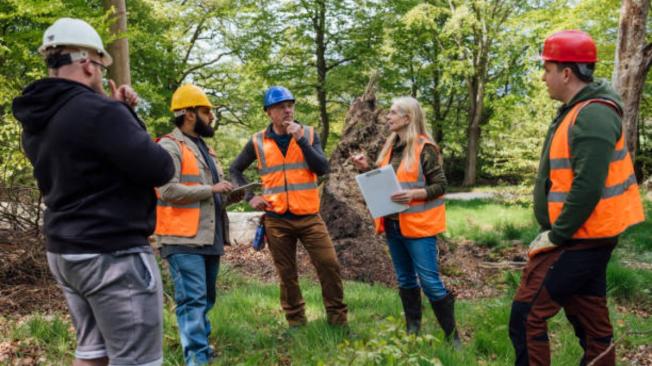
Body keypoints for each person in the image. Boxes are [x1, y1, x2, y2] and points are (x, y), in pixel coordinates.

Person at [12, 18, 175, 366]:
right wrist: (125, 114)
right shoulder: (100, 112)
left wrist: (115, 112)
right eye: (101, 65)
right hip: (113, 255)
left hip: (66, 253)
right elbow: (160, 168)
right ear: (88, 63)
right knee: (136, 360)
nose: (101, 73)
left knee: (92, 354)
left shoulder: (38, 119)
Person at [508, 30, 645, 366]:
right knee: (593, 327)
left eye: (547, 69)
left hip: (578, 239)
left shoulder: (592, 114)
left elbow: (587, 187)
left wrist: (556, 235)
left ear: (566, 73)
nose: (544, 77)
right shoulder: (579, 110)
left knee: (526, 317)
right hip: (584, 236)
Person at [229, 86, 348, 328]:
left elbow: (322, 168)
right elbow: (235, 169)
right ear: (269, 112)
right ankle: (296, 323)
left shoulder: (309, 134)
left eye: (290, 105)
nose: (287, 110)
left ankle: (338, 322)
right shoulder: (258, 141)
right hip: (276, 218)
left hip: (309, 216)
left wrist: (300, 140)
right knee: (287, 274)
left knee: (329, 265)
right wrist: (249, 197)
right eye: (281, 107)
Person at [351, 96, 461, 346]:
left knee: (431, 283)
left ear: (407, 118)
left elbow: (441, 185)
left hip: (419, 227)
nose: (387, 117)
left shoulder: (426, 148)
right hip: (392, 224)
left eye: (392, 113)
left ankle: (453, 337)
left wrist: (414, 194)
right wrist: (366, 167)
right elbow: (385, 183)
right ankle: (413, 330)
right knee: (405, 280)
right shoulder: (391, 147)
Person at [155, 84, 237, 365]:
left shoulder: (207, 150)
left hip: (209, 236)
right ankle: (197, 358)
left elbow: (210, 192)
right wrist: (212, 189)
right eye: (206, 111)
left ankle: (199, 344)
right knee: (192, 299)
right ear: (189, 114)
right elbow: (167, 190)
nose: (211, 116)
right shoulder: (169, 146)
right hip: (181, 239)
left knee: (206, 297)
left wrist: (229, 193)